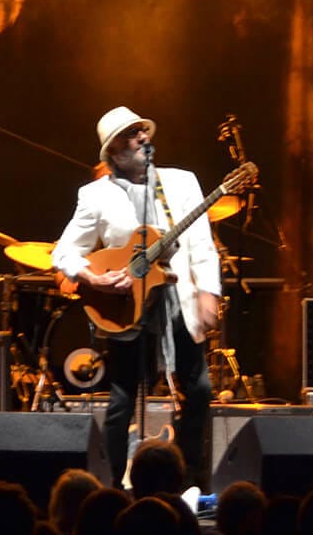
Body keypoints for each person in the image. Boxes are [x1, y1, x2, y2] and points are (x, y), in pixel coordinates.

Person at [53, 107, 221, 490]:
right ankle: (112, 485)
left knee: (198, 389)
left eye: (142, 131)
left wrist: (209, 291)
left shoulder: (182, 183)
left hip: (177, 297)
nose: (143, 138)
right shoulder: (95, 195)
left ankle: (189, 478)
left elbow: (202, 246)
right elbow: (63, 252)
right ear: (113, 151)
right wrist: (93, 279)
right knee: (122, 397)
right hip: (126, 304)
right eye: (131, 135)